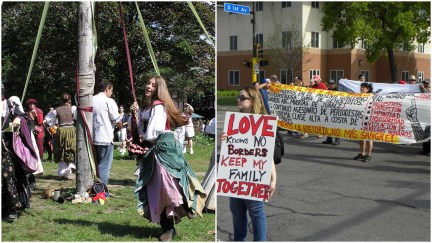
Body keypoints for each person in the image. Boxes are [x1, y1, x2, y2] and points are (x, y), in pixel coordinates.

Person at [134, 76, 206, 242]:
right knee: (156, 189)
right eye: (148, 83)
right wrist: (136, 115)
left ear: (159, 88)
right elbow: (143, 131)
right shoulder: (149, 106)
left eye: (153, 84)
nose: (148, 86)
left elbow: (153, 132)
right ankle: (168, 227)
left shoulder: (159, 106)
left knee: (167, 184)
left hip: (163, 149)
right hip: (156, 151)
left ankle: (187, 206)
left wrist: (142, 136)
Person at [221, 86, 277, 241]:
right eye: (238, 97)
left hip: (254, 175)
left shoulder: (262, 123)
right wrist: (226, 140)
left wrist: (273, 179)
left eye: (242, 98)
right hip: (235, 174)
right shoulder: (235, 122)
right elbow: (232, 150)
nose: (238, 100)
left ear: (253, 101)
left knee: (256, 210)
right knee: (236, 210)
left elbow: (267, 154)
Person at [2, 95, 36, 222]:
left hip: (7, 148)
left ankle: (13, 208)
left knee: (7, 176)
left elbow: (22, 118)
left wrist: (16, 121)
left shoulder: (9, 105)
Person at [93, 81, 121, 185]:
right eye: (111, 90)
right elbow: (116, 120)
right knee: (104, 166)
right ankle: (101, 190)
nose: (111, 93)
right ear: (107, 89)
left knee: (95, 165)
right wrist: (120, 126)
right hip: (105, 138)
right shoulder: (109, 101)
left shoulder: (91, 100)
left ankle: (94, 186)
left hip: (92, 138)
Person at [44, 93, 77, 179]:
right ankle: (71, 166)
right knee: (71, 148)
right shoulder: (73, 108)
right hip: (71, 130)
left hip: (61, 130)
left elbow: (47, 120)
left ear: (61, 100)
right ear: (69, 100)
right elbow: (78, 117)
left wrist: (54, 124)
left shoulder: (56, 110)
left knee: (61, 149)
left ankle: (63, 171)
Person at [354, 82, 374, 162]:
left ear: (367, 89)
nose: (362, 89)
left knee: (369, 137)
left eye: (363, 87)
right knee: (361, 137)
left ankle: (368, 155)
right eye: (361, 87)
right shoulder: (359, 96)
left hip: (369, 119)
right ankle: (362, 153)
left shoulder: (372, 97)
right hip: (361, 119)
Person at [322, 80, 341, 145]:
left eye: (332, 84)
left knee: (336, 126)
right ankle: (329, 139)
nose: (331, 85)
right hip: (329, 110)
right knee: (329, 125)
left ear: (334, 84)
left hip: (336, 110)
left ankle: (337, 139)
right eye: (330, 84)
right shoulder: (327, 91)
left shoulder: (338, 91)